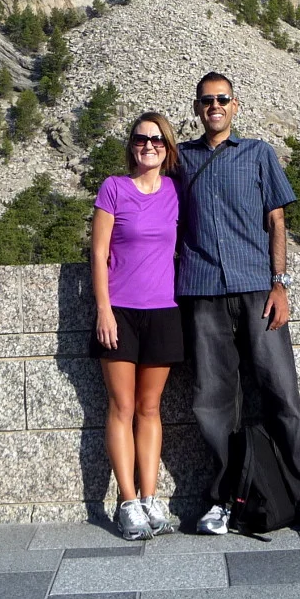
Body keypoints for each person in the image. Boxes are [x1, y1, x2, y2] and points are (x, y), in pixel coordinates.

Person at [174, 72, 300, 534]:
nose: (215, 106)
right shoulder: (181, 159)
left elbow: (277, 219)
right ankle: (224, 500)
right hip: (203, 291)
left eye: (222, 99)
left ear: (236, 106)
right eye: (207, 100)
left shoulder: (258, 153)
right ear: (196, 108)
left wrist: (280, 283)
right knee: (212, 402)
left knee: (282, 393)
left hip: (256, 290)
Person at [91, 112, 184, 540]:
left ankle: (151, 498)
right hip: (121, 311)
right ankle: (127, 502)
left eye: (157, 141)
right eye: (141, 139)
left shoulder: (174, 191)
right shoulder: (113, 188)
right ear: (131, 145)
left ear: (167, 148)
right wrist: (103, 309)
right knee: (121, 408)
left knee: (150, 409)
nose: (148, 146)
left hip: (163, 310)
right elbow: (98, 254)